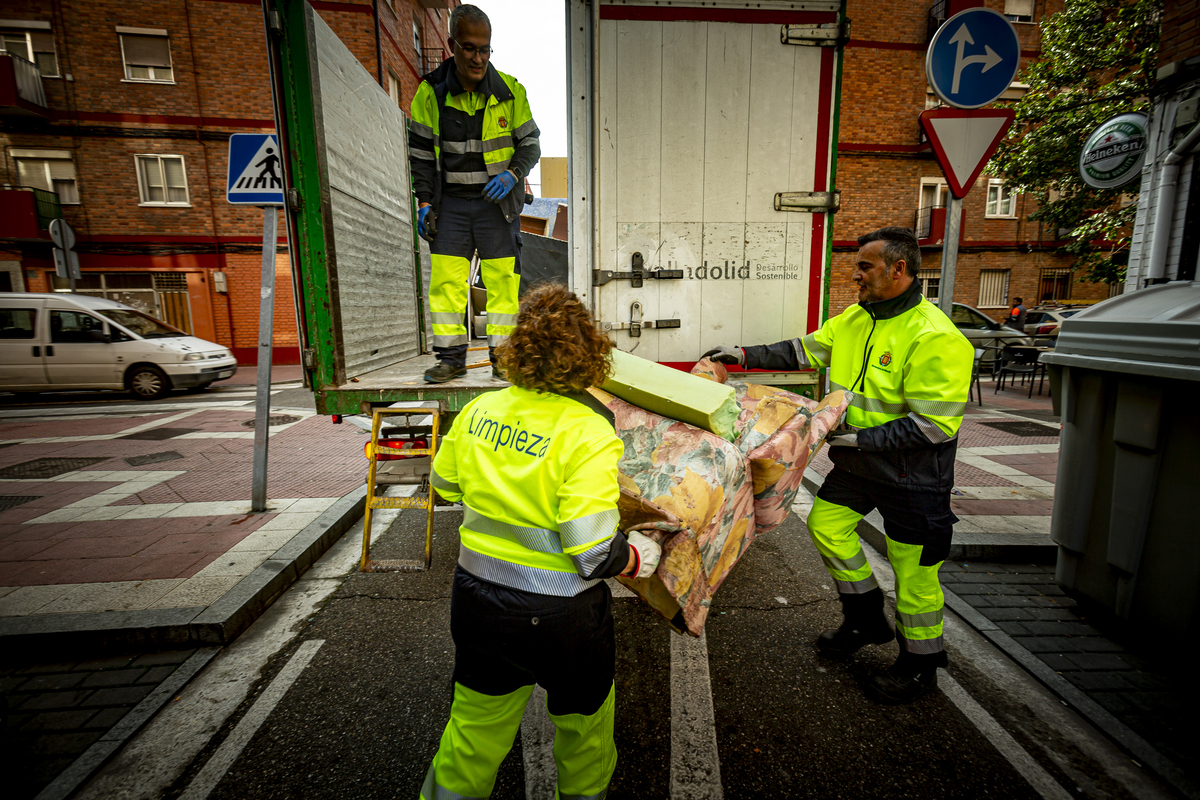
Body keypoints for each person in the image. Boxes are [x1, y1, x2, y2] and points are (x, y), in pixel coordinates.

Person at [702, 227, 973, 704]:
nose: (855, 275)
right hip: (862, 464)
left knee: (914, 574)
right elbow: (802, 351)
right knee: (826, 524)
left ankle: (920, 664)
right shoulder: (855, 319)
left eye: (865, 266)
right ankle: (866, 619)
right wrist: (741, 355)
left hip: (913, 476)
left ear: (899, 269)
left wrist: (846, 437)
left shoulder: (936, 337)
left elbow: (935, 427)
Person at [420, 284, 662, 799]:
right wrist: (640, 556)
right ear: (590, 351)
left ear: (517, 347)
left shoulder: (478, 410)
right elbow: (593, 550)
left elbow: (442, 487)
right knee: (584, 733)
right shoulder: (588, 429)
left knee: (471, 735)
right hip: (561, 618)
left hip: (478, 603)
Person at [409, 4, 540, 383]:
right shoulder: (430, 93)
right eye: (469, 48)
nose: (479, 57)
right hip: (450, 206)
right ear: (452, 45)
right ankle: (450, 360)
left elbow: (530, 144)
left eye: (485, 49)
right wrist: (424, 201)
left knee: (502, 284)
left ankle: (504, 361)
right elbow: (419, 154)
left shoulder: (510, 92)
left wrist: (513, 175)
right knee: (446, 283)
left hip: (496, 206)